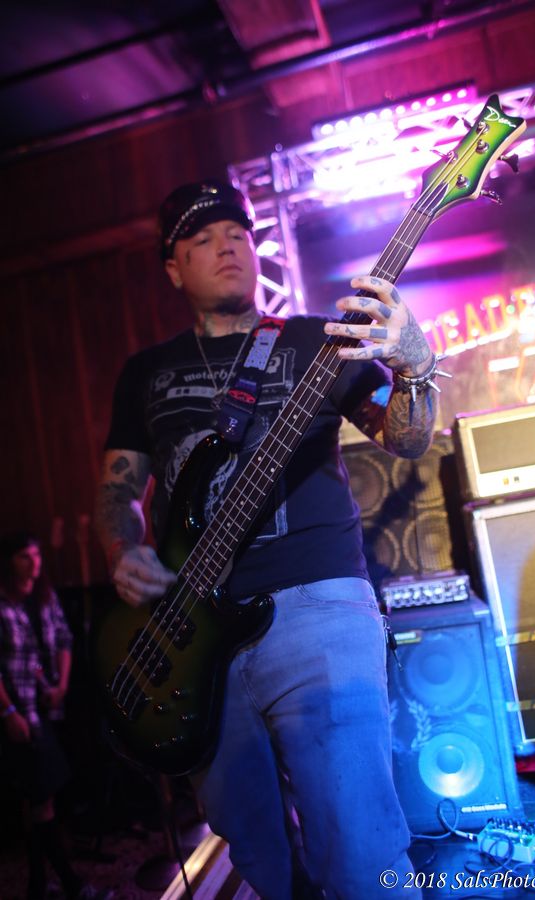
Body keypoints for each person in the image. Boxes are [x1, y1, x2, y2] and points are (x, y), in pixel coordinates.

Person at [94, 180, 439, 899]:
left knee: (360, 849)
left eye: (238, 235)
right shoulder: (146, 373)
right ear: (173, 269)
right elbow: (119, 491)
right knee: (255, 850)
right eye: (203, 239)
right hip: (191, 633)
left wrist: (414, 365)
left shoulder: (317, 340)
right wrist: (123, 551)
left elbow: (405, 438)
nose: (227, 247)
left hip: (317, 607)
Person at [0, 532, 108, 900]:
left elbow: (63, 638)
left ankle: (36, 884)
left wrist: (60, 683)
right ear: (9, 562)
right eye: (24, 556)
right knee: (41, 799)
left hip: (45, 707)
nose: (34, 563)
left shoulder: (43, 596)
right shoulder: (3, 603)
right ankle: (71, 883)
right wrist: (8, 711)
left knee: (38, 800)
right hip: (18, 712)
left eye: (37, 555)